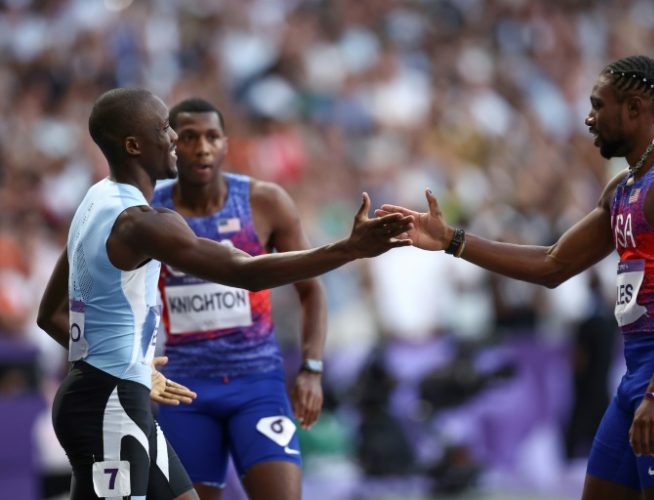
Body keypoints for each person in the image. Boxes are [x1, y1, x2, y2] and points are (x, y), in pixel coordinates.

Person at [376, 55, 654, 499]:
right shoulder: (622, 189)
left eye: (599, 105)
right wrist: (452, 240)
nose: (589, 118)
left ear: (635, 108)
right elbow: (552, 265)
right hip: (639, 372)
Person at [36, 88, 413, 500]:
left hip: (123, 392)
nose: (176, 140)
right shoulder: (145, 223)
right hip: (109, 406)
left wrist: (130, 365)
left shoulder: (95, 199)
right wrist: (349, 249)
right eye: (166, 129)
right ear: (133, 145)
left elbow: (50, 313)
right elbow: (243, 272)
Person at [149, 97, 325, 500]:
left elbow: (312, 289)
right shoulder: (149, 213)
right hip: (184, 388)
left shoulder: (264, 203)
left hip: (257, 383)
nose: (202, 148)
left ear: (227, 144)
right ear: (172, 145)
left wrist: (312, 367)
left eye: (212, 137)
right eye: (189, 137)